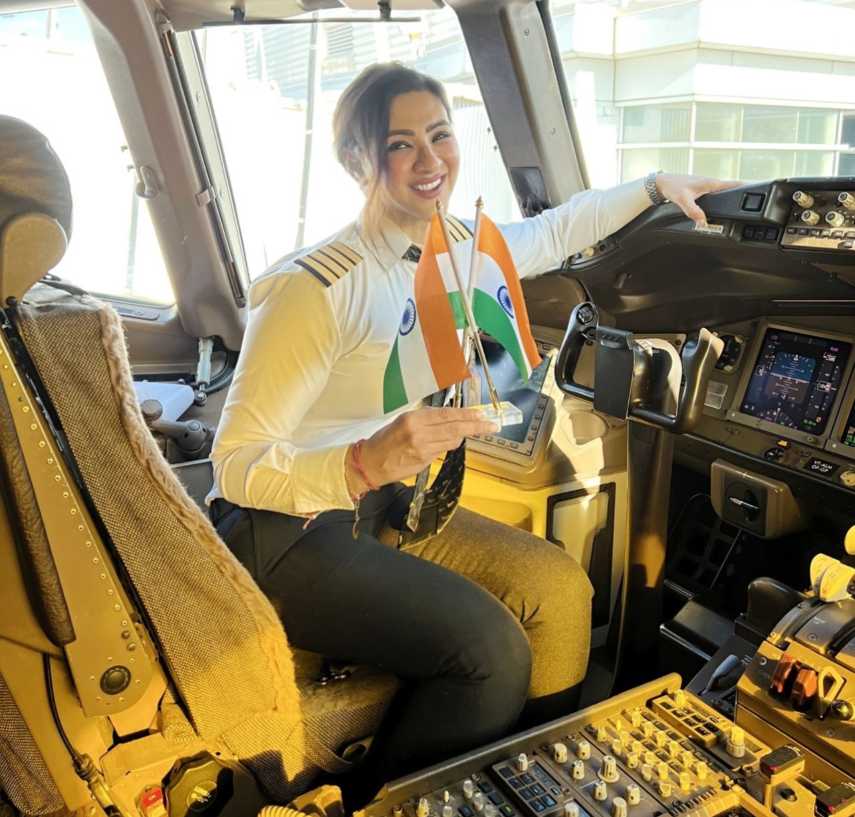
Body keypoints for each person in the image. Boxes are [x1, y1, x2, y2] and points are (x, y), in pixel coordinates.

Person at [207, 63, 739, 797]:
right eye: (400, 144)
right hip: (286, 529)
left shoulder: (455, 247)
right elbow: (233, 463)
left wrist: (652, 187)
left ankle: (538, 786)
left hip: (381, 506)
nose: (429, 161)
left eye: (440, 135)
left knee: (556, 589)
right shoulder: (313, 288)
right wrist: (362, 462)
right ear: (358, 161)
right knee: (488, 653)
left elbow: (552, 232)